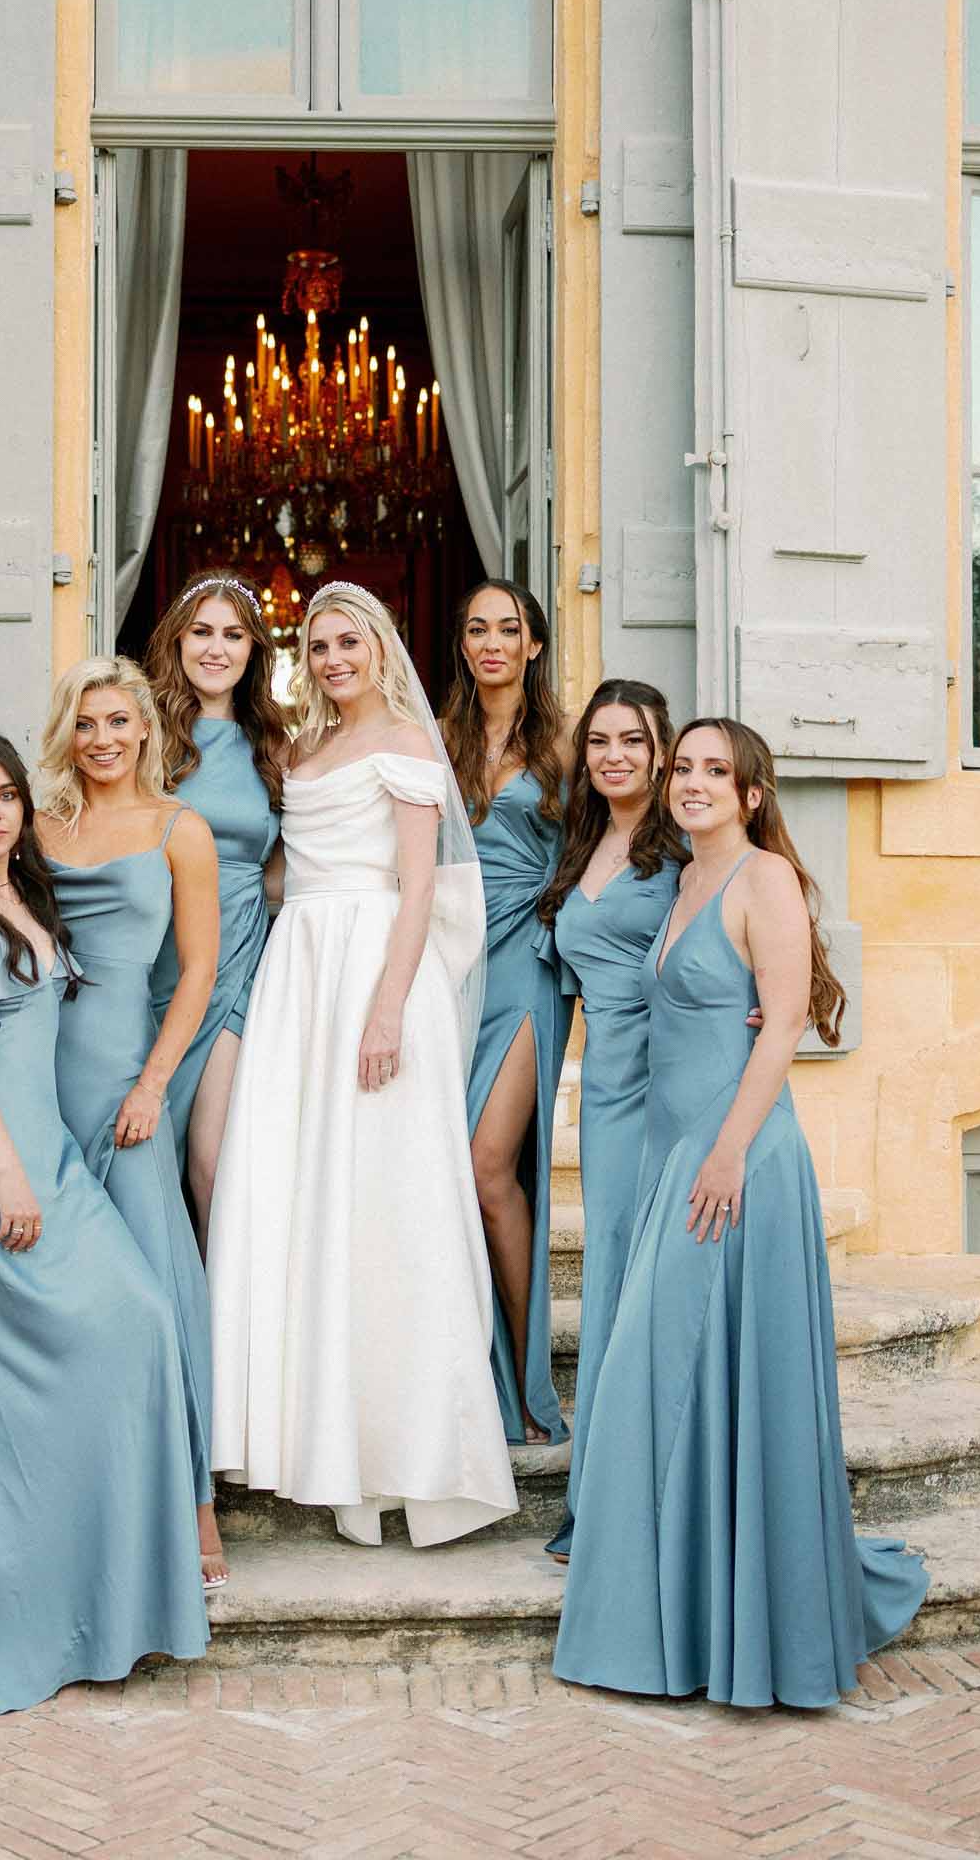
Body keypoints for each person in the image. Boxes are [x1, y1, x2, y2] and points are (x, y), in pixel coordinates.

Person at [553, 719, 929, 1708]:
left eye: (717, 770)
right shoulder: (675, 882)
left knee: (659, 1372)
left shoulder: (764, 879)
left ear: (753, 792)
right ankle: (677, 1622)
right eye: (684, 767)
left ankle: (727, 1626)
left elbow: (787, 1016)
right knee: (668, 1377)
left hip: (740, 1162)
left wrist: (726, 1151)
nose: (693, 782)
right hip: (683, 1150)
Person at [0, 728, 209, 1715]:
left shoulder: (21, 891)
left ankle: (86, 1604)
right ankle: (2, 1616)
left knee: (140, 1322)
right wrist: (12, 1172)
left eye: (7, 794)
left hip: (48, 1156)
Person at [206, 582, 518, 1546]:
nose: (334, 657)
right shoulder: (298, 751)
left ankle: (406, 1456)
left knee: (386, 1200)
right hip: (299, 972)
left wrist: (387, 1010)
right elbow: (280, 872)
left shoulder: (411, 748)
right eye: (319, 643)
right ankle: (317, 1441)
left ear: (381, 644)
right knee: (304, 1197)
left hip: (378, 970)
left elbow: (419, 890)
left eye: (350, 640)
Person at [35, 661, 228, 1589]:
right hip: (40, 1080)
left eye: (118, 720)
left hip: (125, 1081)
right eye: (86, 722)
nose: (103, 738)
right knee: (65, 1294)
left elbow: (196, 971)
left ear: (147, 728)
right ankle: (78, 1492)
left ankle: (194, 1505)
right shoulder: (34, 831)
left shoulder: (179, 831)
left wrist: (154, 1083)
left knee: (158, 1293)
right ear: (67, 733)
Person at [535, 681, 684, 1559]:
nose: (615, 755)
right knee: (612, 1278)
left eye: (632, 740)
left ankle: (648, 1497)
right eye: (599, 741)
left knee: (647, 1282)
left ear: (660, 749)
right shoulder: (581, 843)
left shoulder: (683, 849)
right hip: (604, 1094)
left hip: (667, 1086)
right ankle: (604, 1490)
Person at [440, 582, 574, 1448]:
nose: (493, 642)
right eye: (477, 627)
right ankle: (470, 1380)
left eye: (510, 629)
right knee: (448, 1176)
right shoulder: (437, 741)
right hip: (449, 965)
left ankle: (530, 1386)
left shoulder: (565, 744)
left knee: (492, 1166)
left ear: (533, 645)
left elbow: (628, 843)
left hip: (528, 957)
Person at [144, 572, 286, 1253]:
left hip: (237, 964)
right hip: (154, 958)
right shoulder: (145, 739)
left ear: (254, 650)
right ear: (177, 640)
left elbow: (293, 859)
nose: (216, 649)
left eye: (233, 635)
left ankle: (219, 1334)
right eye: (202, 631)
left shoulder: (275, 745)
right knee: (148, 1156)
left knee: (211, 1160)